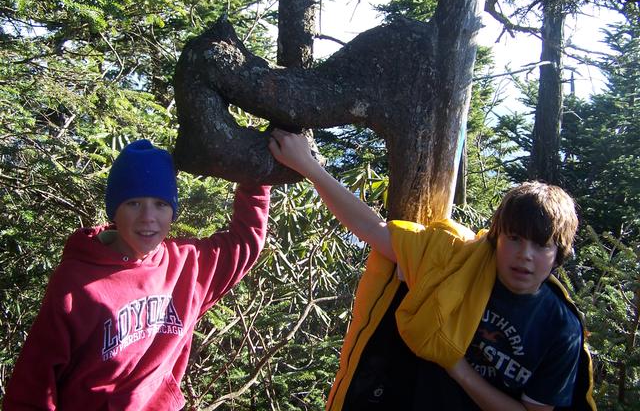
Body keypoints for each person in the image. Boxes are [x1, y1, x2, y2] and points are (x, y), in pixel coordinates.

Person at [268, 129, 595, 411]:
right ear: (496, 238)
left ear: (559, 254)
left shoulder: (560, 329)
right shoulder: (458, 262)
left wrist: (457, 367)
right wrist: (309, 167)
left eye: (541, 245)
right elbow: (374, 228)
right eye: (514, 238)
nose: (524, 255)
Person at [3, 139, 271, 410]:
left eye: (160, 204)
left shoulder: (188, 266)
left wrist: (259, 173)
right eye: (133, 203)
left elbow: (245, 241)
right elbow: (33, 384)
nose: (148, 217)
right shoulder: (76, 283)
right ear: (114, 210)